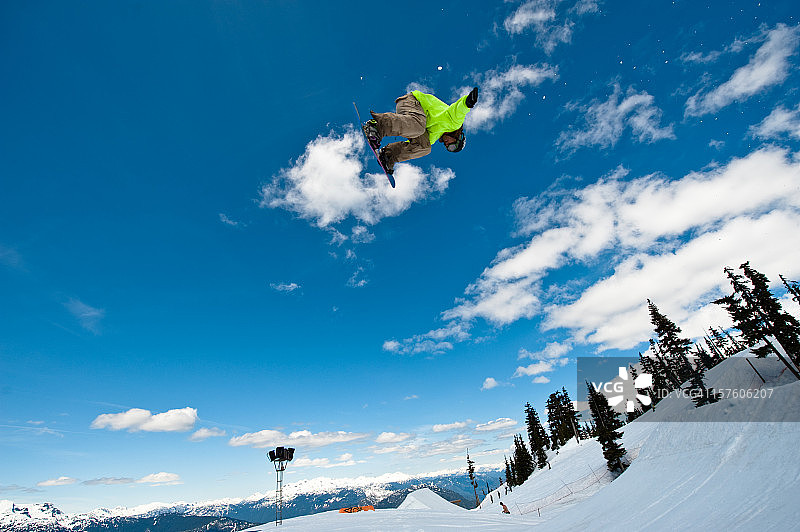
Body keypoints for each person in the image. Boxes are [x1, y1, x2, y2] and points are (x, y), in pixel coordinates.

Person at [362, 87, 479, 176]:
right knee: (419, 127)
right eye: (452, 146)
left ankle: (388, 155)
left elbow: (413, 140)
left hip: (414, 117)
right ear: (457, 138)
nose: (447, 145)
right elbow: (459, 110)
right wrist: (468, 102)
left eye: (449, 148)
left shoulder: (434, 137)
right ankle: (377, 127)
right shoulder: (454, 122)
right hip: (413, 102)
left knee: (425, 147)